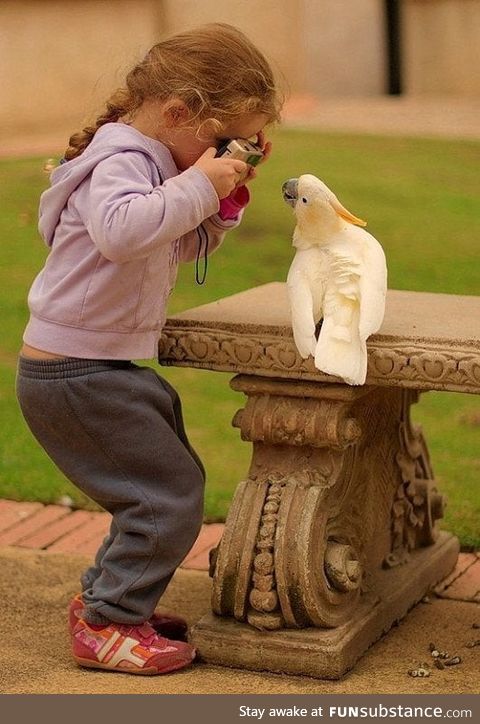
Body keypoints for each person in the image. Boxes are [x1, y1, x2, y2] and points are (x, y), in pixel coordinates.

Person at [16, 23, 282, 675]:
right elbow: (120, 232)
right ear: (178, 113)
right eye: (221, 140)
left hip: (96, 369)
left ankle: (109, 602)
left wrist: (222, 198)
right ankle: (109, 622)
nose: (224, 152)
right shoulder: (124, 160)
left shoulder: (152, 165)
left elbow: (170, 243)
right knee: (165, 493)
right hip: (73, 375)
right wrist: (199, 185)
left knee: (162, 485)